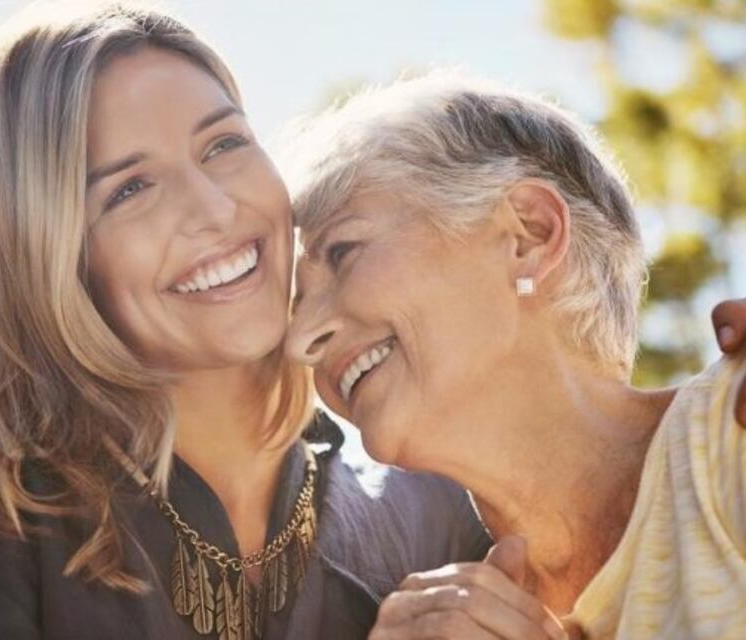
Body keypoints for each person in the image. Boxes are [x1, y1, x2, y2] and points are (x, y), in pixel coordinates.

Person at [0, 6, 496, 640]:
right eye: (130, 189)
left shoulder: (430, 513)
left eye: (224, 144)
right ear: (44, 262)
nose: (212, 208)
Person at [283, 73, 746, 639]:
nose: (299, 339)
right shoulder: (441, 623)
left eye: (343, 252)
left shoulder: (728, 437)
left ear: (528, 235)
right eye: (294, 304)